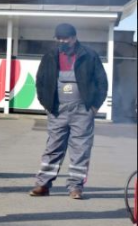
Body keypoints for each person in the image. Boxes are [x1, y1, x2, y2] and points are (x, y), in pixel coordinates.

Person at [29, 23, 108, 200]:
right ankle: (42, 185)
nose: (63, 41)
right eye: (59, 38)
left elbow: (102, 82)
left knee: (80, 149)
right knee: (53, 148)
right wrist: (47, 105)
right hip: (57, 110)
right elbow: (40, 81)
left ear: (74, 37)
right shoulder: (50, 56)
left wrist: (95, 106)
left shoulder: (89, 55)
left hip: (83, 110)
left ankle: (75, 187)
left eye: (66, 38)